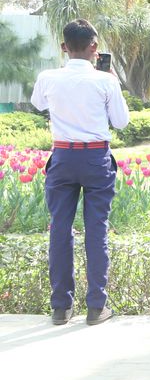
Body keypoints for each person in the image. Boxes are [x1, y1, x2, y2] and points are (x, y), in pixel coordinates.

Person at [31, 18, 129, 326]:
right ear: (94, 47)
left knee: (60, 229)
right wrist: (111, 80)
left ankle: (61, 307)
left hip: (62, 155)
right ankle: (96, 307)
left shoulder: (48, 77)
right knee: (96, 229)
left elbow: (37, 103)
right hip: (96, 157)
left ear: (64, 47)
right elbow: (121, 121)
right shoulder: (105, 81)